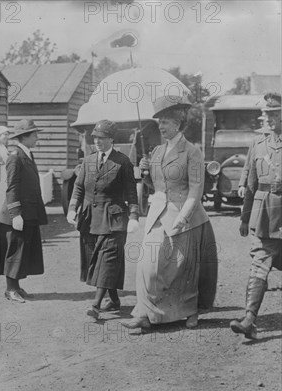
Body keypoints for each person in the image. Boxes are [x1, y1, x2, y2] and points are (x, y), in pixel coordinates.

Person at [122, 96, 218, 329]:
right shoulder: (156, 152)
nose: (161, 127)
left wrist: (183, 218)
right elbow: (157, 187)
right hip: (158, 214)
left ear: (178, 123)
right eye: (159, 123)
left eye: (165, 122)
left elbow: (196, 190)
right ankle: (144, 314)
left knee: (182, 269)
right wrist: (145, 176)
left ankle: (190, 311)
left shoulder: (192, 152)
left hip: (185, 217)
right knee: (147, 264)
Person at [66, 120, 139, 320]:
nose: (97, 141)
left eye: (102, 138)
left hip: (113, 218)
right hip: (90, 218)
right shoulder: (88, 161)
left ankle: (95, 305)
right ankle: (114, 299)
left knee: (107, 259)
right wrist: (73, 208)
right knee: (94, 259)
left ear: (111, 139)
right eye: (95, 138)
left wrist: (133, 215)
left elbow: (132, 193)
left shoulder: (122, 162)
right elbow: (79, 187)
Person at [231, 92, 281, 339]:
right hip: (264, 216)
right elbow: (250, 182)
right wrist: (243, 217)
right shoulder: (258, 143)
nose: (269, 119)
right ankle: (249, 319)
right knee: (259, 263)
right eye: (267, 114)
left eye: (275, 114)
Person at [0, 119, 48, 303]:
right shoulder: (15, 156)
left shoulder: (27, 154)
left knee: (23, 250)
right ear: (25, 137)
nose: (37, 137)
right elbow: (12, 187)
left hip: (29, 211)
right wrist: (16, 214)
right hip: (18, 213)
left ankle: (17, 286)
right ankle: (10, 289)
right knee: (15, 251)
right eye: (34, 134)